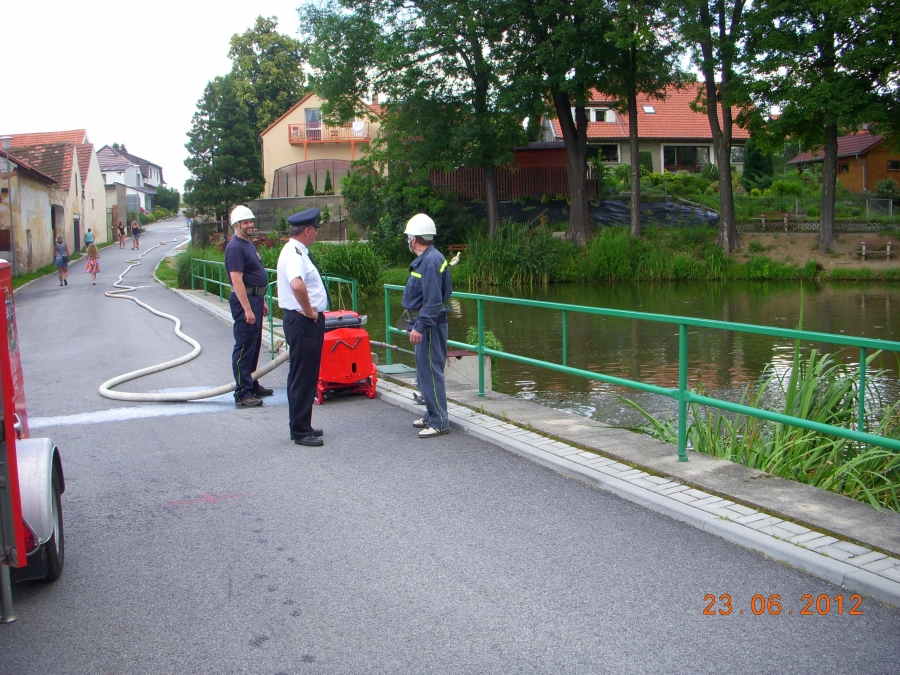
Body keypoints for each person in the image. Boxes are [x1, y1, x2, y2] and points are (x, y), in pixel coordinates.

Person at [276, 208, 328, 447]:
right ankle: (300, 430)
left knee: (302, 375)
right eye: (315, 229)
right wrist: (309, 311)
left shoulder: (295, 251)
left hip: (302, 321)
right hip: (304, 321)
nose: (316, 233)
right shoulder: (295, 254)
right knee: (304, 376)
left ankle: (301, 424)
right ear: (307, 230)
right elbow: (297, 285)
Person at [401, 213, 452, 438]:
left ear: (414, 240)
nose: (408, 242)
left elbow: (432, 301)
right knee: (425, 371)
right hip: (424, 321)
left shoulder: (430, 262)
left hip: (428, 325)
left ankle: (439, 421)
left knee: (431, 372)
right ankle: (431, 414)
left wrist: (420, 327)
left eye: (408, 238)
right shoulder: (430, 258)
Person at [225, 205, 273, 408]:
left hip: (255, 298)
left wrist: (262, 300)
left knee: (254, 344)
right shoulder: (236, 247)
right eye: (245, 222)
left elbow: (255, 274)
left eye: (251, 221)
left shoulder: (248, 244)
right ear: (236, 225)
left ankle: (252, 383)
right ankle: (242, 392)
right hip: (245, 300)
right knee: (244, 345)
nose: (250, 225)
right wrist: (247, 309)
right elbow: (237, 281)